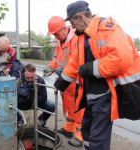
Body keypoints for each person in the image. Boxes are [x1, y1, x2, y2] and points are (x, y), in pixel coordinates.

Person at [54, 1, 140, 150]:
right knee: (87, 131)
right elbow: (75, 63)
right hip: (90, 94)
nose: (72, 27)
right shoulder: (82, 36)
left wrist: (90, 68)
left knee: (97, 137)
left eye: (73, 23)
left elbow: (121, 58)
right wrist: (61, 82)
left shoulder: (109, 29)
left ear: (81, 17)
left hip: (106, 94)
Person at [44, 16, 84, 147]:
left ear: (64, 28)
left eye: (56, 33)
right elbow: (56, 58)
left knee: (78, 107)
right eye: (54, 34)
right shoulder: (59, 41)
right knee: (68, 105)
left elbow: (79, 61)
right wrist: (51, 66)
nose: (55, 37)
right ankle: (69, 128)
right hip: (65, 81)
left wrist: (63, 70)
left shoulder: (76, 39)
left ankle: (80, 135)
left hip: (75, 80)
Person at [17, 63, 55, 128]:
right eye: (28, 78)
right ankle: (19, 119)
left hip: (35, 102)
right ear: (24, 73)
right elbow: (14, 93)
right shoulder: (19, 80)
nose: (30, 80)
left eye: (32, 77)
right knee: (10, 104)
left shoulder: (40, 80)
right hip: (22, 103)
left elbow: (44, 97)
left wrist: (29, 97)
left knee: (51, 106)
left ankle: (42, 118)